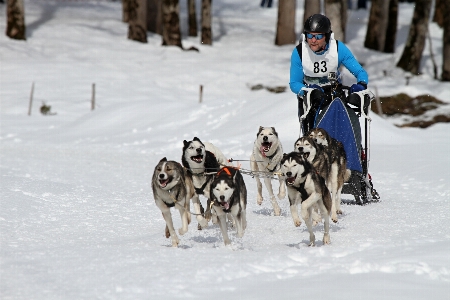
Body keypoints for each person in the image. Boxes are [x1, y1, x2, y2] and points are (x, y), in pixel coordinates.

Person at [289, 14, 368, 134]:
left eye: (318, 36)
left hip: (333, 92)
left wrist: (361, 84)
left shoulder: (338, 48)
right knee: (311, 135)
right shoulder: (299, 52)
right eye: (309, 35)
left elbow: (360, 72)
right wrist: (306, 91)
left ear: (326, 36)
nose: (313, 40)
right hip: (311, 95)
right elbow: (294, 83)